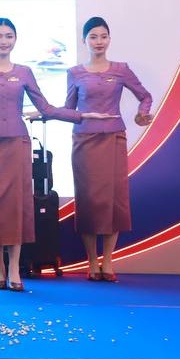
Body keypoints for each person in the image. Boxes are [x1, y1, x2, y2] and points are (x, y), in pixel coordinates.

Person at [0, 18, 113, 291]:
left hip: (17, 143)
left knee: (18, 205)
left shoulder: (25, 72)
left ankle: (15, 268)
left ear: (15, 40)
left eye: (8, 36)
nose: (3, 41)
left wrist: (82, 115)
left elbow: (46, 108)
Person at [55, 16, 153, 282]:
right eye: (93, 37)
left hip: (113, 139)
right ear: (84, 40)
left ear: (109, 39)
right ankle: (91, 261)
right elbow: (69, 110)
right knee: (88, 200)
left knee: (113, 200)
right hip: (85, 141)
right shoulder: (75, 73)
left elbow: (145, 96)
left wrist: (142, 114)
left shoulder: (121, 69)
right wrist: (46, 112)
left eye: (103, 36)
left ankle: (107, 261)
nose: (99, 41)